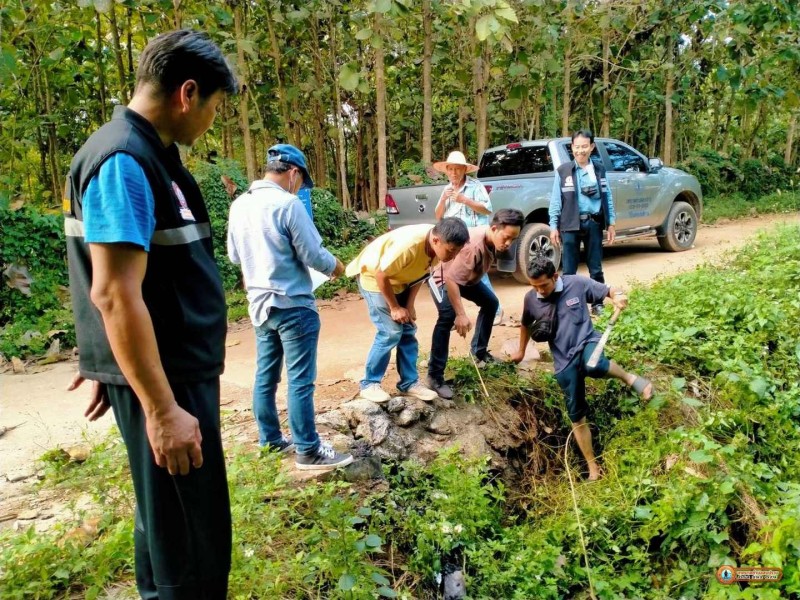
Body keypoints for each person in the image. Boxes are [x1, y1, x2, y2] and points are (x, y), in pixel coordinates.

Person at [63, 30, 238, 599]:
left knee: (170, 525)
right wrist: (161, 409)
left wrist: (112, 364)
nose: (213, 118)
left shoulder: (150, 156)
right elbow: (113, 292)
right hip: (170, 383)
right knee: (190, 541)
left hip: (168, 372)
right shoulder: (123, 161)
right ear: (188, 93)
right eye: (214, 106)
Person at [227, 144, 353, 471]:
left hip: (259, 307)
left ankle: (270, 441)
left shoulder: (239, 204)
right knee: (300, 380)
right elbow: (313, 255)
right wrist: (338, 267)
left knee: (265, 377)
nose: (299, 186)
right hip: (293, 304)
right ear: (293, 173)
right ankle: (308, 450)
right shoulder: (288, 204)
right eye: (300, 180)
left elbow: (234, 257)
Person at [510, 257, 653, 481]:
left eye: (543, 285)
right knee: (576, 416)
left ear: (555, 277)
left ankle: (631, 379)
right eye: (534, 286)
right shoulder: (531, 299)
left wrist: (618, 296)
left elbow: (609, 290)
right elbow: (525, 323)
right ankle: (593, 468)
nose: (540, 290)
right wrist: (520, 350)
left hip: (587, 342)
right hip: (563, 361)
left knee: (594, 364)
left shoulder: (576, 283)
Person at [346, 218, 469, 403]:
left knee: (408, 330)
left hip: (400, 281)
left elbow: (421, 274)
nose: (453, 256)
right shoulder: (408, 246)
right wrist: (395, 307)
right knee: (390, 332)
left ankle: (409, 383)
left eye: (457, 252)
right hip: (374, 278)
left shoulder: (438, 247)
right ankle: (369, 384)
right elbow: (381, 274)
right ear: (436, 240)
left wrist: (409, 305)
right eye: (451, 251)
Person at [427, 209, 525, 399]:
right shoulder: (473, 247)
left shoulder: (492, 239)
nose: (508, 243)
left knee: (491, 303)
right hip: (443, 279)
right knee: (447, 317)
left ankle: (478, 353)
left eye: (513, 240)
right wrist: (461, 314)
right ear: (494, 228)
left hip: (465, 279)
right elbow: (451, 280)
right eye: (506, 238)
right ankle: (435, 377)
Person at [548, 128, 616, 315]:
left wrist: (611, 223)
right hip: (570, 225)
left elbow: (607, 196)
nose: (580, 151)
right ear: (572, 147)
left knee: (595, 266)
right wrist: (553, 226)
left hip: (593, 222)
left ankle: (597, 303)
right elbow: (556, 200)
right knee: (569, 269)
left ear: (592, 147)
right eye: (577, 147)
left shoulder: (600, 170)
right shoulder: (563, 171)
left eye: (584, 147)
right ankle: (570, 304)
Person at [433, 150, 504, 325]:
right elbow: (438, 216)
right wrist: (443, 200)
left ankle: (496, 310)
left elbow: (487, 209)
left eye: (457, 169)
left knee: (479, 275)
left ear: (465, 170)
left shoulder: (475, 186)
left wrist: (464, 200)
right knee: (449, 275)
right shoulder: (446, 189)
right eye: (450, 169)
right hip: (454, 241)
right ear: (447, 170)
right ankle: (451, 315)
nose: (454, 173)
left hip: (474, 240)